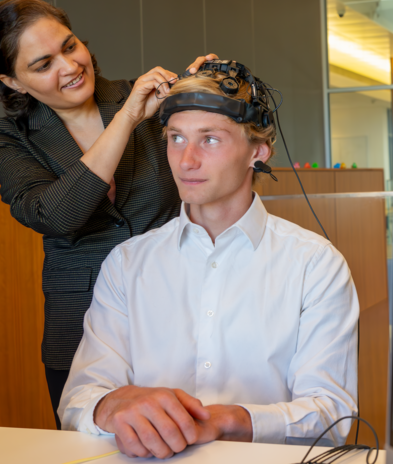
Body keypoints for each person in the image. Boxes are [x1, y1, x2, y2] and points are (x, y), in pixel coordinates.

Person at [58, 66, 359, 459]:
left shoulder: (316, 265)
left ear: (258, 151)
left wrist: (227, 420)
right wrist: (111, 406)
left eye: (210, 139)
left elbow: (332, 415)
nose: (186, 160)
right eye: (176, 138)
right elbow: (79, 400)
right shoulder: (128, 263)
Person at [0, 0, 217, 429]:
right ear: (12, 82)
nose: (69, 67)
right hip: (80, 326)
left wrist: (204, 95)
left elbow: (209, 170)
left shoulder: (145, 97)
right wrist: (126, 119)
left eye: (70, 47)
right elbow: (55, 216)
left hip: (179, 310)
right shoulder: (12, 137)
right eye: (43, 64)